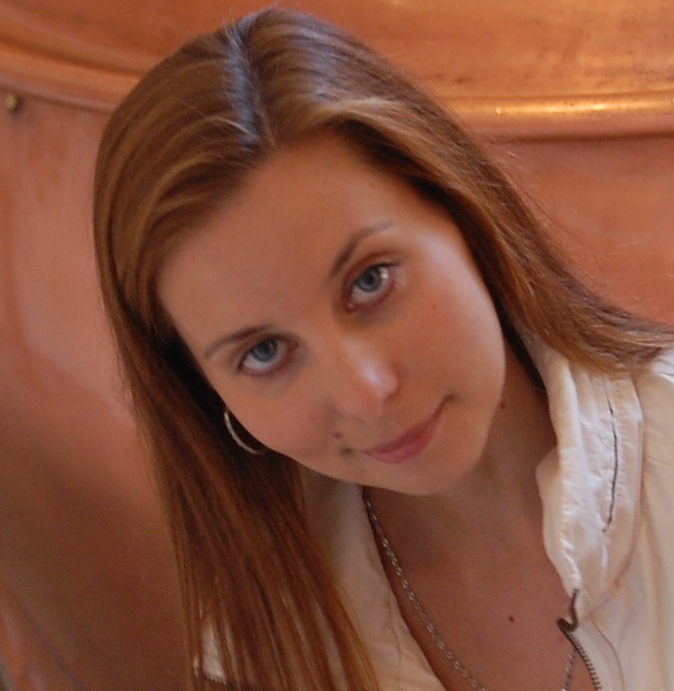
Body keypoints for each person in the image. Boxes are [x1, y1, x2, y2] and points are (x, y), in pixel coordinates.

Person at [92, 8, 674, 690]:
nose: (366, 393)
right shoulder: (266, 636)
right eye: (265, 351)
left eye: (370, 281)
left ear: (464, 214)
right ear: (207, 393)